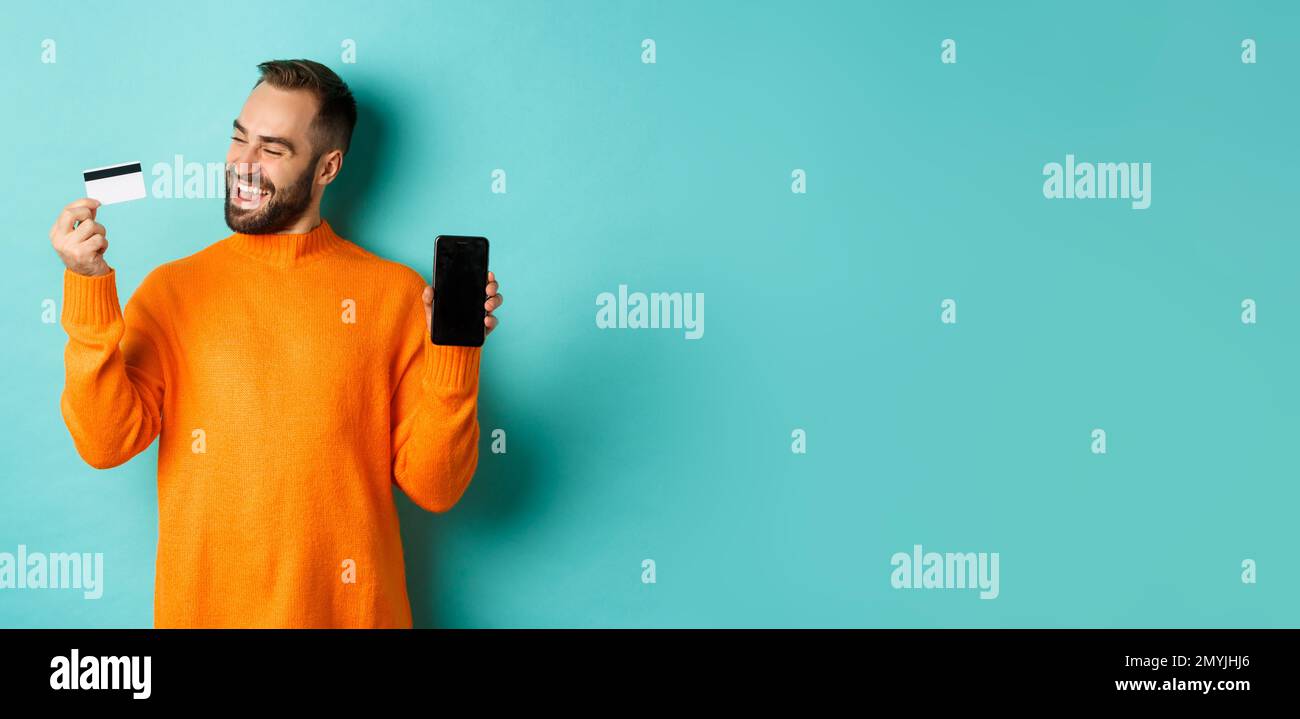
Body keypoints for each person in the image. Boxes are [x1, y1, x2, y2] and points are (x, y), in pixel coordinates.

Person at [47, 59, 503, 628]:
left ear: (328, 167)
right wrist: (89, 288)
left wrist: (455, 354)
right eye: (239, 138)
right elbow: (104, 442)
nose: (242, 163)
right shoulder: (173, 290)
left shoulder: (396, 296)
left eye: (273, 148)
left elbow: (436, 488)